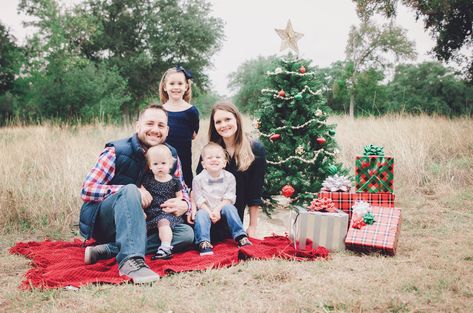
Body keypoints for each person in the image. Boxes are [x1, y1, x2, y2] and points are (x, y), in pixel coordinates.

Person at [79, 104, 194, 284]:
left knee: (186, 234)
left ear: (167, 130)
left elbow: (182, 187)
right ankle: (131, 261)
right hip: (109, 223)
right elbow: (87, 190)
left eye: (161, 125)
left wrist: (184, 203)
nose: (155, 130)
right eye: (150, 123)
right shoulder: (116, 151)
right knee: (130, 189)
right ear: (138, 126)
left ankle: (108, 250)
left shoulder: (170, 155)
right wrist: (128, 193)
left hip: (149, 222)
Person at [196, 101, 266, 241]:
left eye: (228, 119)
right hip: (208, 215)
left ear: (237, 119)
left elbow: (255, 192)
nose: (223, 125)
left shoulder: (255, 149)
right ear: (214, 126)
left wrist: (252, 226)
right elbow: (198, 185)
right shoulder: (211, 151)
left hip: (232, 217)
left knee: (229, 239)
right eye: (218, 122)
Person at [192, 142, 252, 256]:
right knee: (200, 215)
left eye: (218, 157)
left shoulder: (229, 177)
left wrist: (217, 210)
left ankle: (241, 236)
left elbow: (229, 197)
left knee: (230, 208)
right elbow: (199, 199)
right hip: (206, 208)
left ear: (224, 163)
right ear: (203, 164)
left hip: (223, 206)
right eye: (209, 158)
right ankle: (203, 242)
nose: (214, 160)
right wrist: (210, 212)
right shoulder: (198, 179)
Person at [159, 65, 199, 188]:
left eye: (180, 83)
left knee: (184, 189)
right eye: (172, 83)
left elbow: (193, 134)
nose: (176, 87)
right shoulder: (160, 111)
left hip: (184, 160)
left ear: (186, 86)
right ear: (165, 87)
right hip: (163, 160)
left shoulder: (191, 111)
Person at [142, 144, 183, 260]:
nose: (160, 167)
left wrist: (176, 204)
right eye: (155, 164)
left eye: (163, 163)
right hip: (151, 213)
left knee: (163, 222)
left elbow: (179, 197)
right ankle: (138, 247)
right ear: (150, 166)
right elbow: (142, 192)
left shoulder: (175, 182)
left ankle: (165, 248)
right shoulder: (148, 180)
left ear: (170, 164)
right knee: (142, 227)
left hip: (167, 213)